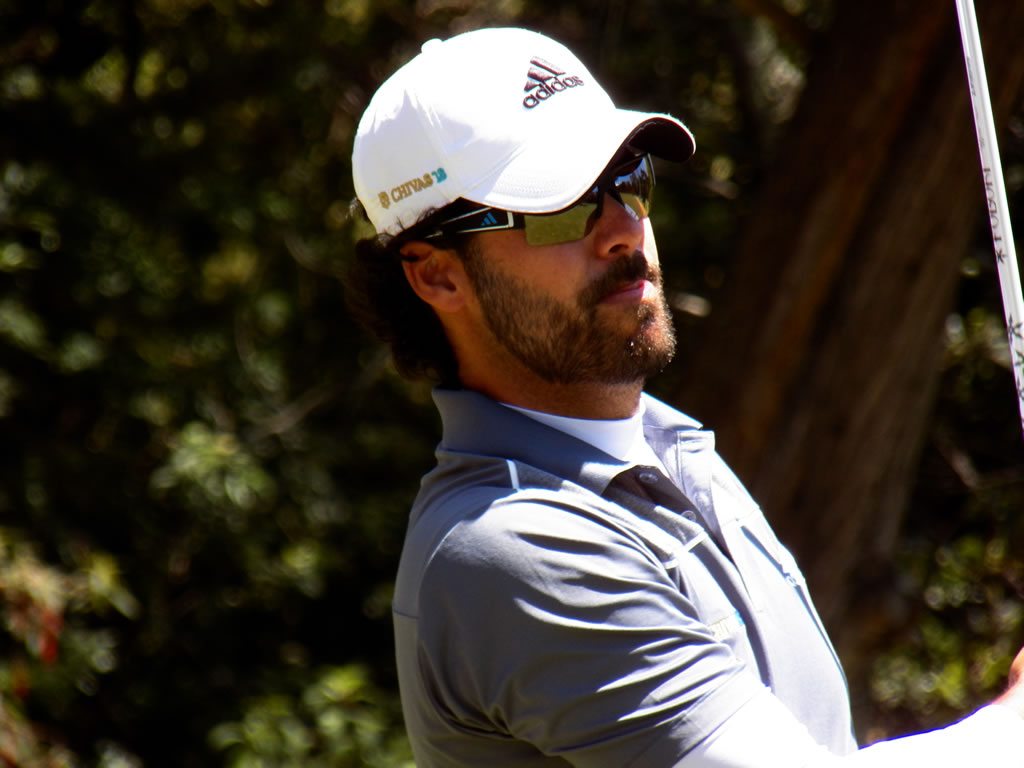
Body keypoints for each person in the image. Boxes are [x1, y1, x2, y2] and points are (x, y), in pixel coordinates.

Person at [346, 26, 1024, 767]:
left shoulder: (668, 446)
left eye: (629, 179)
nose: (622, 229)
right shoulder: (509, 548)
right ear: (436, 274)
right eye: (557, 207)